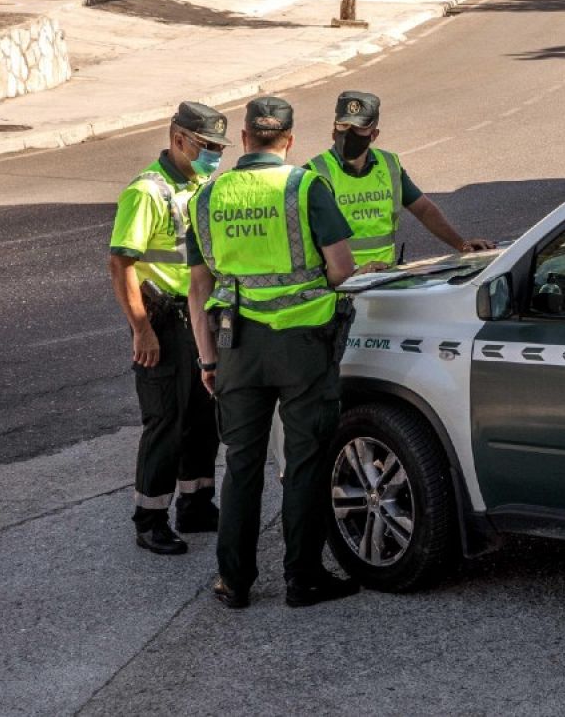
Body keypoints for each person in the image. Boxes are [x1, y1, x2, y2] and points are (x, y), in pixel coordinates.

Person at [187, 95, 361, 610]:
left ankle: (234, 583)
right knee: (305, 463)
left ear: (242, 139)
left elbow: (198, 290)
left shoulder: (207, 196)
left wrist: (207, 360)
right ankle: (302, 579)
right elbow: (342, 267)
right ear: (288, 140)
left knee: (242, 465)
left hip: (235, 345)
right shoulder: (304, 185)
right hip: (304, 346)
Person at [108, 102, 230, 555]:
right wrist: (142, 330)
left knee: (203, 419)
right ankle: (150, 517)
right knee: (166, 422)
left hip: (200, 316)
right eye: (206, 146)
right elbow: (121, 263)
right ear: (178, 138)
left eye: (219, 147)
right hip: (163, 321)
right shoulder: (147, 191)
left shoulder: (204, 185)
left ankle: (196, 504)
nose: (213, 154)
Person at [306, 90, 492, 270]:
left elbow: (424, 210)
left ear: (374, 135)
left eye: (358, 128)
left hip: (384, 278)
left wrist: (461, 245)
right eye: (343, 126)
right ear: (333, 129)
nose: (349, 133)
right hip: (338, 286)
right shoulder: (314, 172)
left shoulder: (389, 166)